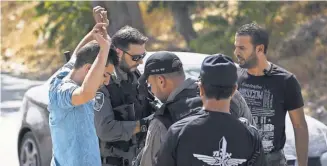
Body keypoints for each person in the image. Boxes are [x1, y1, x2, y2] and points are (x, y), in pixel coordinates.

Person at [137, 51, 256, 166]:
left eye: (150, 85)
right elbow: (255, 147)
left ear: (161, 81)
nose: (151, 91)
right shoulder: (232, 97)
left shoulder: (162, 121)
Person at [234, 23, 308, 166]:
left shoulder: (286, 81)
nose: (236, 52)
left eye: (242, 48)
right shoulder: (234, 77)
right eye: (236, 47)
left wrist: (302, 164)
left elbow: (300, 126)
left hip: (272, 161)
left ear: (260, 49)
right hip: (238, 159)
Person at [92, 6, 155, 166]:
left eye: (143, 56)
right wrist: (142, 125)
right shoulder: (103, 82)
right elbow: (105, 130)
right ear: (119, 53)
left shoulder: (136, 76)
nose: (141, 61)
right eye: (136, 57)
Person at [48, 23, 116, 166]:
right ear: (89, 69)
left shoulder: (68, 72)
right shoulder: (62, 90)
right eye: (105, 75)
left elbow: (76, 56)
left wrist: (93, 33)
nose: (107, 82)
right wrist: (104, 50)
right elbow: (86, 93)